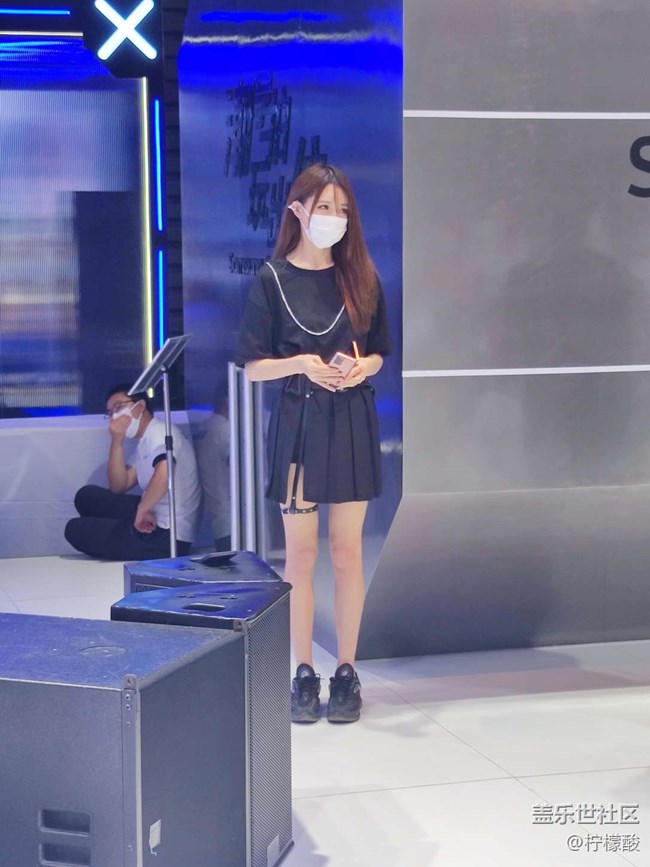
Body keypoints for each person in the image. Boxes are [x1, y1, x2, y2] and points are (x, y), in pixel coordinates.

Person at [235, 163, 391, 724]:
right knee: (300, 556)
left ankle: (346, 671)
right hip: (298, 423)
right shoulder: (272, 279)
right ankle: (303, 671)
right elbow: (253, 367)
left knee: (347, 552)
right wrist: (300, 363)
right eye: (324, 207)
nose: (334, 218)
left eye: (342, 210)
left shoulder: (362, 277)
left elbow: (380, 351)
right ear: (298, 210)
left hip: (350, 420)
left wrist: (363, 367)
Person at [64, 384, 202, 561]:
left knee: (75, 529)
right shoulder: (146, 439)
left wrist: (142, 510)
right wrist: (117, 441)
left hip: (168, 534)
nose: (114, 416)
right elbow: (118, 486)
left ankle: (131, 535)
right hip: (154, 514)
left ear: (141, 406)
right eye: (110, 413)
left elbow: (165, 473)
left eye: (118, 407)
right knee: (86, 496)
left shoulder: (161, 432)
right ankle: (127, 529)